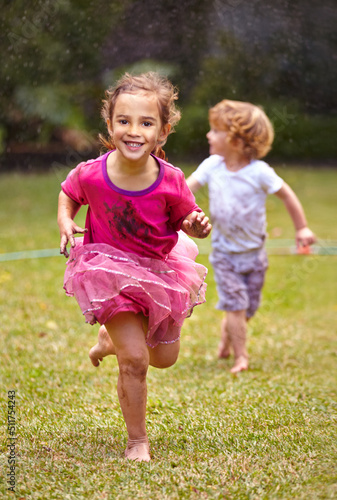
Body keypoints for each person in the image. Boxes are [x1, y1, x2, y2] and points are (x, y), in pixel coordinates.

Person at [57, 72, 211, 462]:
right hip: (107, 271)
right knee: (137, 359)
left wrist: (196, 225)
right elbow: (68, 192)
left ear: (163, 132)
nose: (133, 131)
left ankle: (111, 343)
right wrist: (65, 221)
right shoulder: (93, 172)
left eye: (146, 123)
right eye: (123, 121)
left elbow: (188, 218)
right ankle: (137, 441)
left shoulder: (171, 180)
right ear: (110, 125)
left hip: (158, 272)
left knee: (163, 357)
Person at [186, 99, 316, 374]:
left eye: (215, 131)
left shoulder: (259, 172)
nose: (208, 135)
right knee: (235, 305)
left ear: (234, 138)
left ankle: (226, 340)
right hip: (224, 254)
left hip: (255, 255)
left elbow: (287, 195)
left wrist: (302, 227)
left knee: (247, 308)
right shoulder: (212, 166)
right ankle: (240, 357)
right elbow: (185, 190)